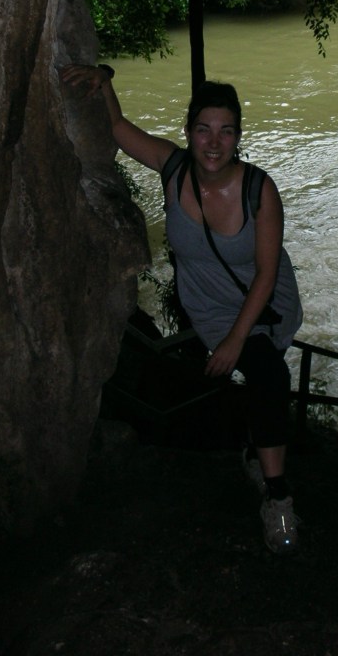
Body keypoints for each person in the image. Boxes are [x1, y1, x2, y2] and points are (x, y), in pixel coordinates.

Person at [62, 65, 303, 553]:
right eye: (203, 129)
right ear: (188, 131)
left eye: (226, 131)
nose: (214, 142)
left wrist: (236, 340)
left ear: (238, 136)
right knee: (267, 378)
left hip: (263, 301)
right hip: (210, 308)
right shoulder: (173, 170)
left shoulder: (259, 190)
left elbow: (266, 273)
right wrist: (104, 78)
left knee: (267, 375)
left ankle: (267, 477)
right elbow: (118, 128)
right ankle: (271, 480)